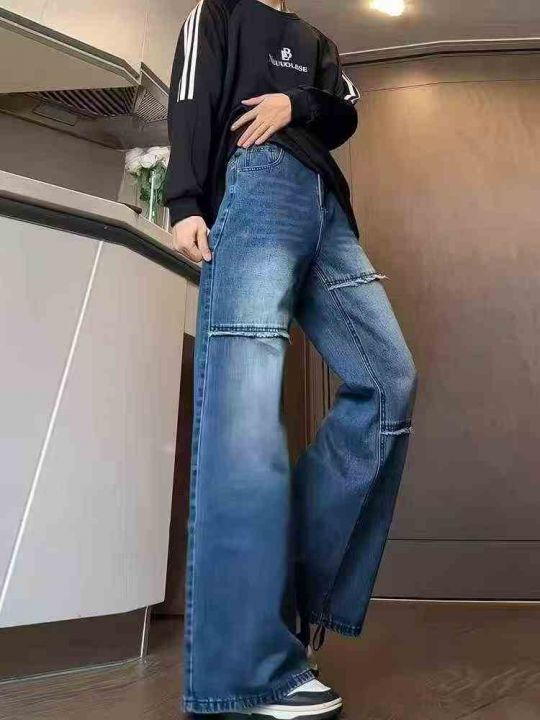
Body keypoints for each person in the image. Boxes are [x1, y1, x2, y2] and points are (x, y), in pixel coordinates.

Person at [165, 0, 417, 717]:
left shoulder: (316, 39)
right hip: (253, 187)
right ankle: (246, 672)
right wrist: (185, 200)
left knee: (389, 382)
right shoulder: (217, 12)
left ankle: (284, 605)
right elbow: (192, 93)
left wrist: (295, 102)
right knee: (243, 421)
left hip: (324, 202)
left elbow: (341, 113)